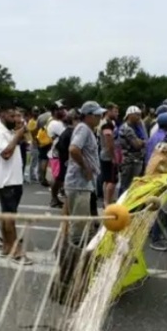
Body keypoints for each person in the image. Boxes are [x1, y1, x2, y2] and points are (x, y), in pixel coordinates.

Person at [0, 105, 32, 265]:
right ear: (2, 115)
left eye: (17, 116)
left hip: (14, 179)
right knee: (10, 216)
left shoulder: (10, 132)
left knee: (6, 214)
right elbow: (6, 154)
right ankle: (16, 252)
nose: (16, 119)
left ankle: (7, 247)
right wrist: (18, 135)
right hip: (6, 181)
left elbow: (27, 140)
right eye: (12, 116)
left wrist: (21, 133)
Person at [65, 101, 105, 246]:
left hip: (83, 184)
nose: (100, 117)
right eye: (97, 115)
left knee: (81, 222)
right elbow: (74, 149)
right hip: (79, 183)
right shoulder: (83, 129)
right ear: (88, 116)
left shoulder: (87, 129)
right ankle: (73, 260)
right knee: (78, 227)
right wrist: (86, 167)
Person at [117, 105, 146, 196]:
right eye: (137, 115)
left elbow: (145, 139)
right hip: (129, 161)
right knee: (126, 186)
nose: (139, 117)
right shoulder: (126, 128)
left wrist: (142, 141)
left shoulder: (137, 127)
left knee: (133, 186)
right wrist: (143, 142)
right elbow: (137, 144)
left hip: (136, 160)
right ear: (130, 115)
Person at [98, 103, 119, 208]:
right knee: (111, 180)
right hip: (108, 155)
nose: (117, 113)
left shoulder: (106, 122)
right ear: (109, 111)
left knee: (106, 180)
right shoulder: (107, 124)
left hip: (104, 153)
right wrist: (113, 157)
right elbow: (109, 141)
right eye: (115, 111)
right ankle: (107, 202)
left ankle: (106, 201)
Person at [47, 107, 67, 208]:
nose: (63, 111)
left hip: (61, 152)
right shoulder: (54, 123)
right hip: (57, 153)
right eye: (60, 110)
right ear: (54, 111)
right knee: (57, 177)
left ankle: (55, 198)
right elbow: (64, 135)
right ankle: (54, 198)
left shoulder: (60, 123)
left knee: (59, 177)